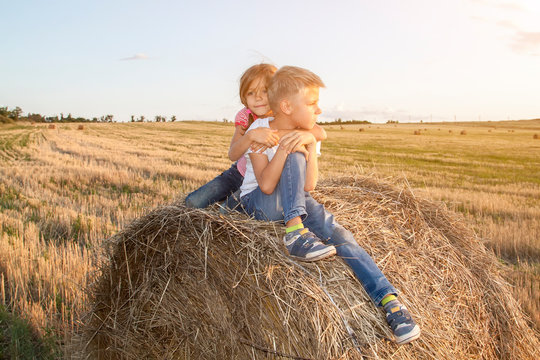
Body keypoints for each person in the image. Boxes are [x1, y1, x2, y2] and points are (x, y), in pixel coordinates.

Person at [238, 65, 421, 345]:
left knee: (343, 238)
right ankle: (295, 232)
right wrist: (286, 149)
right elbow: (265, 185)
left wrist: (309, 145)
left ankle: (391, 303)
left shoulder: (306, 133)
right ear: (286, 106)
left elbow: (309, 186)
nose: (319, 110)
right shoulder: (260, 130)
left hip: (298, 199)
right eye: (312, 104)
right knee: (292, 154)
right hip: (259, 202)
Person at [185, 63, 326, 209]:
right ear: (244, 96)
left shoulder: (287, 115)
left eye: (264, 91)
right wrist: (251, 135)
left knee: (225, 212)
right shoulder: (245, 118)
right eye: (251, 93)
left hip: (260, 182)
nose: (258, 98)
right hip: (238, 174)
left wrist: (273, 134)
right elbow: (233, 154)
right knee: (193, 202)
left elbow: (320, 133)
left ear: (277, 94)